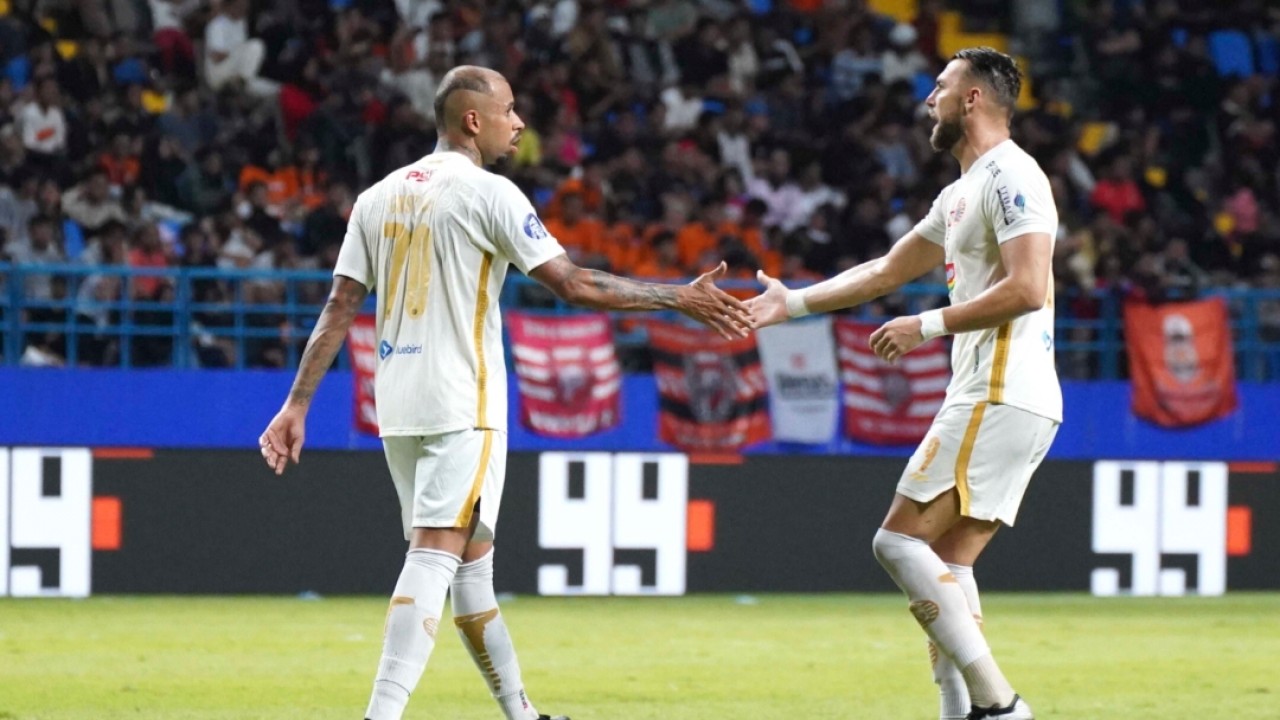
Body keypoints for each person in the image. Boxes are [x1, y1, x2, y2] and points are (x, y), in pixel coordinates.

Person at [257, 65, 751, 720]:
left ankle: (523, 714)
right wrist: (676, 297)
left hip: (397, 399)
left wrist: (297, 403)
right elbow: (573, 284)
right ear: (472, 119)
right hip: (464, 398)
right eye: (510, 109)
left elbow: (339, 305)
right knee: (435, 553)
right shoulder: (490, 193)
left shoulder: (376, 198)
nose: (518, 122)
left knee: (471, 565)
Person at [747, 48, 1060, 720]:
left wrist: (929, 324)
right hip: (1008, 394)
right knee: (951, 562)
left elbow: (1030, 287)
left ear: (972, 99)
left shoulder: (1013, 177)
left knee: (896, 542)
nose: (929, 100)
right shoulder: (961, 192)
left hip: (1000, 387)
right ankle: (963, 714)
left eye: (941, 88)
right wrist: (793, 303)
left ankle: (1000, 706)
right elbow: (887, 271)